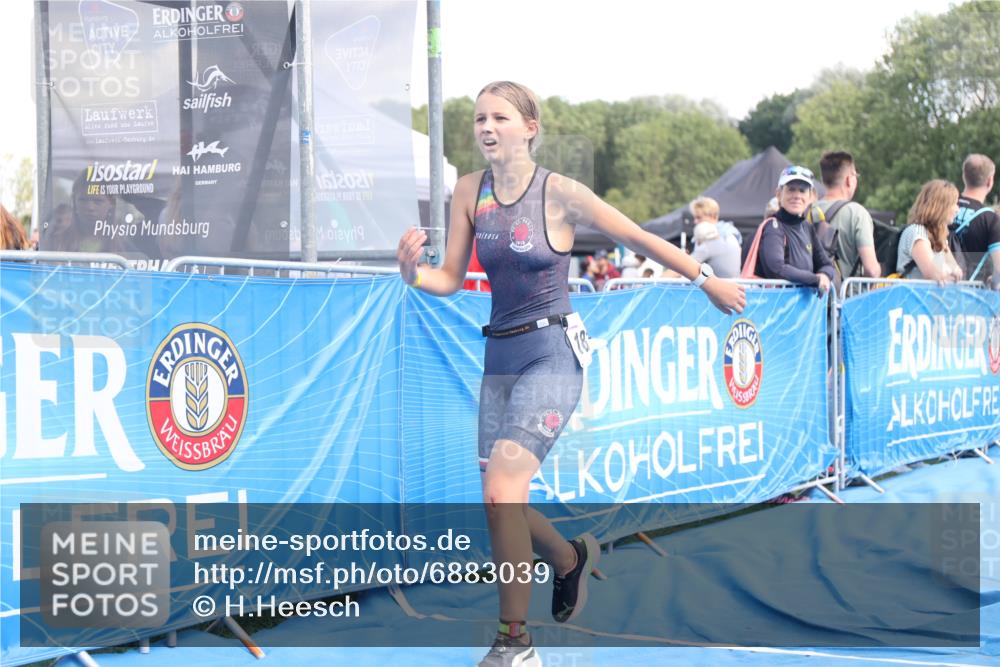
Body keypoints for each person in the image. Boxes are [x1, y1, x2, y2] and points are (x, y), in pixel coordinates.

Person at [396, 81, 745, 667]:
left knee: (503, 490)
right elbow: (449, 278)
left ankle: (516, 644)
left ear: (529, 127)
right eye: (479, 118)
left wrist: (704, 280)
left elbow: (635, 236)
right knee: (497, 499)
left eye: (500, 117)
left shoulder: (559, 192)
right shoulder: (465, 193)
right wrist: (411, 273)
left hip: (552, 352)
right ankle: (568, 559)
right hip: (499, 355)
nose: (486, 127)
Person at [756, 165, 836, 295]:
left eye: (802, 190)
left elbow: (827, 265)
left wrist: (825, 275)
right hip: (778, 309)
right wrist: (815, 279)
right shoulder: (773, 227)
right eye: (791, 190)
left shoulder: (807, 227)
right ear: (778, 194)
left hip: (804, 311)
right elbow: (777, 269)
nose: (797, 196)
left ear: (811, 196)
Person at [814, 151, 881, 278]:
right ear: (849, 180)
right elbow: (871, 269)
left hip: (811, 294)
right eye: (856, 175)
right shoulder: (857, 213)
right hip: (848, 295)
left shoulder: (807, 211)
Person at [896, 179, 964, 283]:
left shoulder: (939, 236)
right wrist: (949, 273)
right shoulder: (917, 232)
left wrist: (949, 273)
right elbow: (934, 273)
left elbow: (958, 272)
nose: (957, 209)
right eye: (954, 204)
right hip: (912, 297)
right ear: (940, 206)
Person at [954, 154, 999, 287]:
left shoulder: (942, 208)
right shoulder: (990, 219)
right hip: (971, 296)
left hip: (936, 292)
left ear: (964, 176)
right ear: (990, 181)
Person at [688, 196, 740, 278]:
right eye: (694, 218)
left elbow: (686, 265)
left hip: (719, 288)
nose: (695, 221)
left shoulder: (711, 237)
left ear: (713, 216)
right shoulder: (729, 233)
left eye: (699, 217)